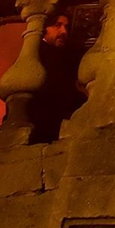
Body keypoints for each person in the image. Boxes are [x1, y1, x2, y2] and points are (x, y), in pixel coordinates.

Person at [30, 12, 84, 143]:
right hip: (44, 121)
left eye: (66, 27)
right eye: (57, 25)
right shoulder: (38, 54)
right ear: (45, 29)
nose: (63, 31)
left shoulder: (65, 55)